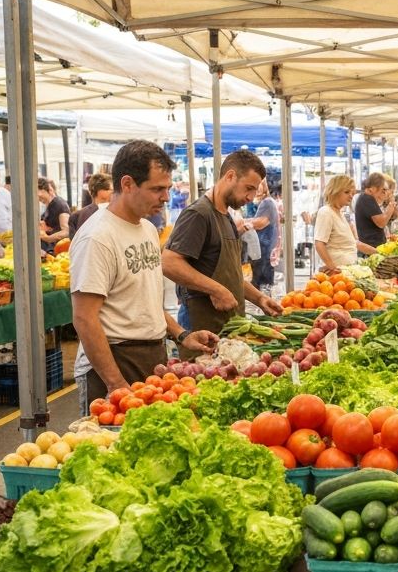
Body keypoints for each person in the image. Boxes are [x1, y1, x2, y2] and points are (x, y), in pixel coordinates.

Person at [70, 140, 216, 415]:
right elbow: (84, 318)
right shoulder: (97, 237)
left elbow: (145, 300)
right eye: (157, 189)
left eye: (167, 188)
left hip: (152, 356)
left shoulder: (148, 230)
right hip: (115, 359)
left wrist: (182, 335)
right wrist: (116, 383)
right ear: (127, 184)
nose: (165, 197)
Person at [161, 148, 283, 357]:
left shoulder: (226, 216)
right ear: (230, 176)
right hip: (202, 328)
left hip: (226, 328)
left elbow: (229, 275)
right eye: (248, 188)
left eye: (255, 191)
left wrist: (259, 298)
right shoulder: (199, 214)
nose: (251, 197)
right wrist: (216, 290)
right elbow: (169, 262)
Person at [315, 174, 374, 269]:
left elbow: (353, 243)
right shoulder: (326, 212)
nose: (351, 196)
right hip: (338, 273)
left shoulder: (340, 214)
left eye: (352, 193)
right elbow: (319, 244)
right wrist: (333, 268)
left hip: (348, 270)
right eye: (347, 192)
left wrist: (378, 252)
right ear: (335, 191)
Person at [245, 179, 280, 293]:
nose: (257, 188)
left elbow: (261, 222)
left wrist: (241, 222)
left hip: (264, 251)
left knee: (261, 287)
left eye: (259, 185)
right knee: (261, 286)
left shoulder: (267, 202)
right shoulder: (261, 203)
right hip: (262, 251)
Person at [354, 171, 398, 249]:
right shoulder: (367, 199)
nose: (384, 193)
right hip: (371, 248)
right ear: (373, 188)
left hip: (374, 246)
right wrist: (391, 204)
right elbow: (382, 223)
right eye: (383, 190)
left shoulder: (367, 198)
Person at [37, 177, 71, 246]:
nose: (39, 199)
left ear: (50, 190)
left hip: (57, 247)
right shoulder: (49, 205)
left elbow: (66, 231)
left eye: (40, 196)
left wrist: (47, 238)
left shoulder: (60, 204)